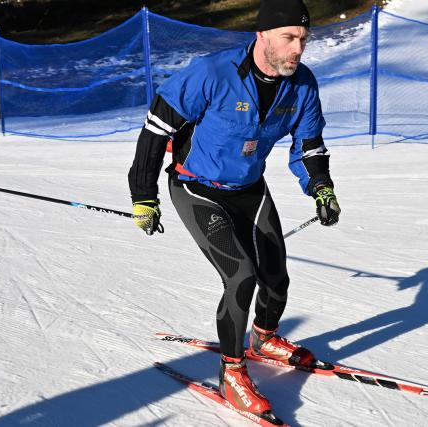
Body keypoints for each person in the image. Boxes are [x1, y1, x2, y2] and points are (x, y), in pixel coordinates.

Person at [128, 0, 340, 421]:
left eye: (303, 39)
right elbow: (155, 130)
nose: (298, 49)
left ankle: (265, 338)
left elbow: (309, 144)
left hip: (249, 188)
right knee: (241, 275)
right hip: (197, 187)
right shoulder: (212, 73)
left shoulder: (302, 85)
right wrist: (143, 196)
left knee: (276, 275)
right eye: (289, 38)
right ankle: (232, 372)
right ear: (262, 35)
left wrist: (321, 188)